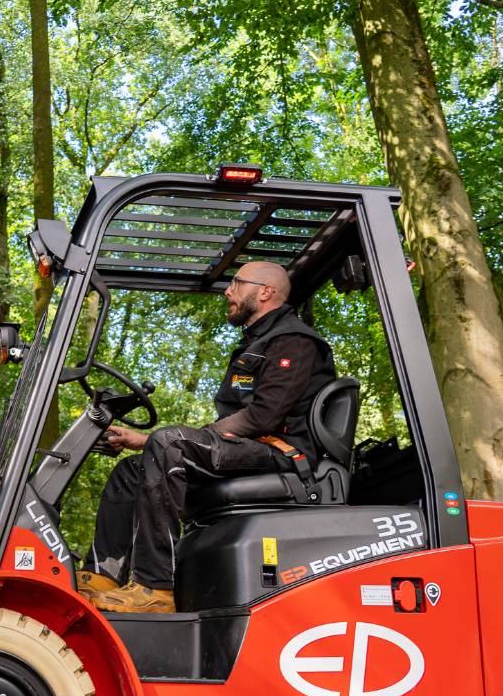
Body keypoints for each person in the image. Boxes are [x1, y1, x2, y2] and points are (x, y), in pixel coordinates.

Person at [78, 261, 336, 614]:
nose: (228, 291)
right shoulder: (258, 341)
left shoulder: (293, 340)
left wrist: (167, 441)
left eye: (237, 283)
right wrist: (147, 441)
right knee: (129, 472)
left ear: (265, 292)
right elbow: (229, 426)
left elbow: (264, 417)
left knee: (169, 443)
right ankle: (103, 575)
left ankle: (155, 589)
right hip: (250, 449)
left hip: (282, 455)